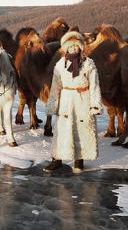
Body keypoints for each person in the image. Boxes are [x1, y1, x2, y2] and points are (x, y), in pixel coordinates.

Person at [43, 31, 102, 174]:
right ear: (66, 48)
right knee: (62, 130)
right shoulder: (60, 65)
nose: (74, 49)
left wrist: (95, 104)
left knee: (80, 130)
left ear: (81, 47)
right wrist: (53, 104)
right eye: (71, 46)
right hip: (66, 100)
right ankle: (57, 159)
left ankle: (79, 160)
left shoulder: (88, 64)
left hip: (83, 99)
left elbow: (94, 85)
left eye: (76, 46)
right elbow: (55, 86)